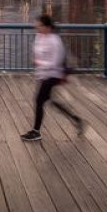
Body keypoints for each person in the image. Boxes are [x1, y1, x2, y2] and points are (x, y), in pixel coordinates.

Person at [21, 14, 84, 142]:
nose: (36, 27)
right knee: (49, 100)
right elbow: (37, 52)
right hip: (43, 74)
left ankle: (36, 131)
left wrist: (39, 63)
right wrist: (38, 62)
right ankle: (76, 119)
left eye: (39, 25)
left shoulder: (55, 41)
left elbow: (55, 62)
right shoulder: (39, 36)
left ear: (47, 27)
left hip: (53, 74)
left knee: (39, 100)